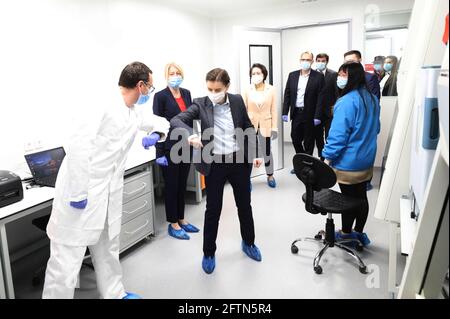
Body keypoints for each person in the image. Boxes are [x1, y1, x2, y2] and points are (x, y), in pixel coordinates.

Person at [43, 62, 170, 299]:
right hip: (81, 194)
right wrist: (79, 193)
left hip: (108, 193)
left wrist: (156, 134)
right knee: (66, 260)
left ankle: (114, 293)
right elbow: (78, 146)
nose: (150, 93)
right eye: (150, 88)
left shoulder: (132, 111)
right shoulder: (101, 104)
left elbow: (161, 122)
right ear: (140, 85)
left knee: (108, 249)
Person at [171, 68, 263, 274]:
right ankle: (209, 253)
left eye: (217, 89)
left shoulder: (237, 101)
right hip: (215, 165)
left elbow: (247, 127)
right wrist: (189, 135)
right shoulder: (200, 103)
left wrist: (256, 153)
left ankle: (249, 243)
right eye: (210, 89)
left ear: (227, 87)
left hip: (239, 162)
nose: (213, 93)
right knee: (213, 210)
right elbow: (177, 120)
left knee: (244, 205)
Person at [322, 62, 380, 247]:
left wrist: (327, 158)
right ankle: (359, 233)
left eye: (342, 75)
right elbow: (376, 128)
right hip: (367, 160)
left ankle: (346, 234)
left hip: (348, 164)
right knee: (361, 197)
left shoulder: (346, 101)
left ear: (351, 77)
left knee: (348, 200)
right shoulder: (372, 99)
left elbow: (338, 136)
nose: (339, 78)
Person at [153, 63, 200, 240]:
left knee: (181, 185)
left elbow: (190, 118)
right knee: (172, 186)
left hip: (186, 145)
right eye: (171, 73)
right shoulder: (160, 96)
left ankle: (181, 218)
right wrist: (159, 154)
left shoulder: (187, 93)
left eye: (178, 73)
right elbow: (156, 126)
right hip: (169, 147)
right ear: (166, 76)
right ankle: (173, 223)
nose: (175, 76)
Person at [344, 50, 380, 191]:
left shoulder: (369, 78)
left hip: (367, 120)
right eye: (346, 62)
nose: (349, 64)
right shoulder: (345, 77)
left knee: (365, 148)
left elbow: (374, 101)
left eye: (352, 61)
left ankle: (366, 180)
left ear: (359, 61)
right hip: (352, 119)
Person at [282, 51, 325, 171]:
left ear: (312, 61)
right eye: (303, 59)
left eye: (308, 60)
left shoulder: (318, 77)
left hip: (310, 114)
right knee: (295, 138)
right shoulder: (292, 75)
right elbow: (287, 94)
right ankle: (301, 161)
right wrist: (285, 112)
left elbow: (321, 97)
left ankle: (307, 166)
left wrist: (317, 115)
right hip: (296, 113)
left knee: (309, 141)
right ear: (300, 60)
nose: (305, 62)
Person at [242, 63, 278, 188]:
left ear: (264, 75)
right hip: (250, 124)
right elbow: (243, 108)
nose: (256, 75)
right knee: (249, 152)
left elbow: (273, 109)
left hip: (266, 124)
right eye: (253, 73)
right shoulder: (247, 90)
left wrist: (274, 128)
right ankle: (247, 178)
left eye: (258, 73)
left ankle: (270, 175)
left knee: (267, 151)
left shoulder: (271, 89)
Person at [314, 53, 338, 160]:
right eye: (318, 60)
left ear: (327, 61)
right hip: (316, 112)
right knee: (318, 137)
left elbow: (337, 92)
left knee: (329, 135)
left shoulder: (333, 74)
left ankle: (328, 157)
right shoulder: (312, 75)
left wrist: (335, 107)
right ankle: (321, 157)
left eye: (323, 61)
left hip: (329, 111)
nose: (320, 63)